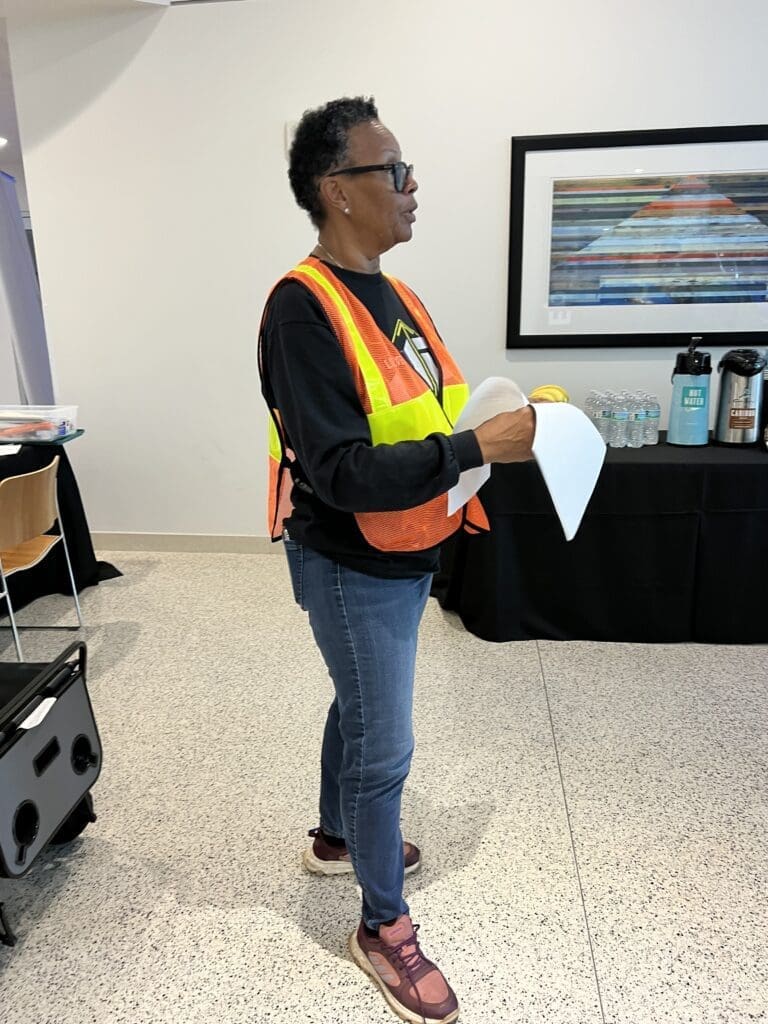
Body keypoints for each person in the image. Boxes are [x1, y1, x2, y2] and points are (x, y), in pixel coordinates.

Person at [258, 96, 535, 1024]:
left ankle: (336, 840)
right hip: (351, 560)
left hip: (409, 544)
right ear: (337, 190)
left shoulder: (396, 295)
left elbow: (426, 417)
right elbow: (339, 470)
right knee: (385, 745)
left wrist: (489, 428)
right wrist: (476, 449)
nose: (413, 186)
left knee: (360, 705)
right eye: (395, 171)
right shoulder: (302, 310)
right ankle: (382, 928)